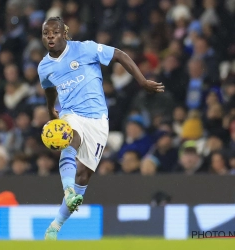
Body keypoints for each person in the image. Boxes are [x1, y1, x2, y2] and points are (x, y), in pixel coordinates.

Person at [38, 16, 164, 240]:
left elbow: (119, 55)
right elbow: (49, 89)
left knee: (84, 176)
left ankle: (54, 227)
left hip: (97, 119)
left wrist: (142, 81)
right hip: (71, 113)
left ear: (64, 34)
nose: (50, 37)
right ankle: (68, 189)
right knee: (69, 138)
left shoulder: (85, 49)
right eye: (46, 33)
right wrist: (51, 110)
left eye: (55, 32)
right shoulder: (44, 66)